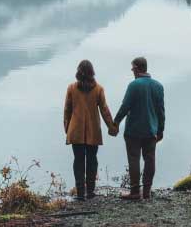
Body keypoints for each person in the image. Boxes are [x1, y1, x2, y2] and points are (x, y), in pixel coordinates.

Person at [63, 59, 118, 201]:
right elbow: (104, 110)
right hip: (93, 131)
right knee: (92, 160)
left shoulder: (71, 88)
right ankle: (91, 192)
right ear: (92, 72)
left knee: (78, 160)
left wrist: (66, 129)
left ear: (78, 72)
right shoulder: (98, 89)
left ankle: (80, 193)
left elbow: (67, 110)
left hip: (76, 131)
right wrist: (112, 127)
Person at [113, 56, 165, 200]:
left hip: (133, 131)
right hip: (151, 130)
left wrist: (115, 122)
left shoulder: (133, 85)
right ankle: (147, 191)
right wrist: (160, 130)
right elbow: (161, 111)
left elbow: (125, 106)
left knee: (134, 159)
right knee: (150, 159)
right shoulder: (158, 86)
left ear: (136, 68)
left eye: (132, 68)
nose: (132, 71)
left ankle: (135, 192)